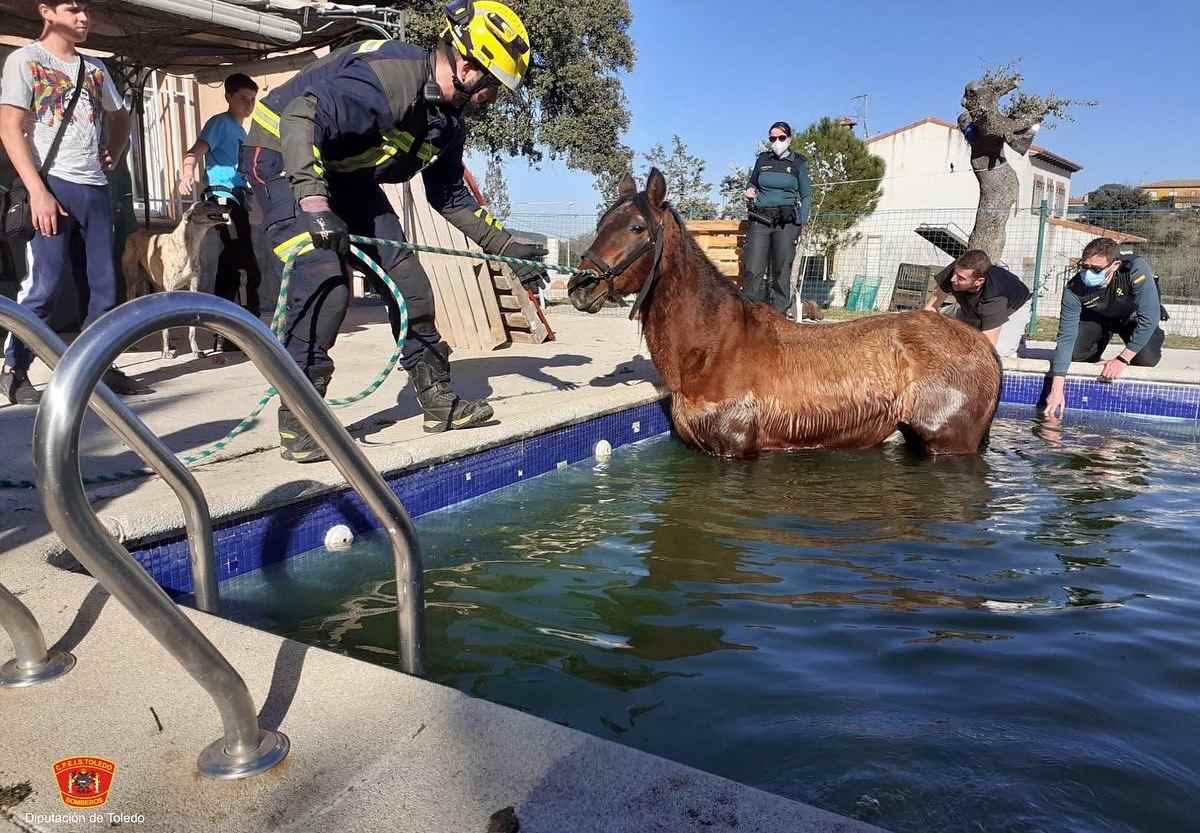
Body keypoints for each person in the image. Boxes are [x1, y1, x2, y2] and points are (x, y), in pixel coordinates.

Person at [241, 0, 548, 462]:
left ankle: (438, 400)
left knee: (409, 281)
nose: (493, 99)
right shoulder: (390, 78)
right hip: (283, 156)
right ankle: (300, 422)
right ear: (467, 65)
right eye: (492, 86)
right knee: (323, 278)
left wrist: (506, 249)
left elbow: (449, 196)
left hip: (344, 174)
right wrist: (314, 202)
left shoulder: (446, 121)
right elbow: (301, 116)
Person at [0, 0, 152, 405]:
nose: (84, 18)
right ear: (46, 11)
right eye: (73, 9)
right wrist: (36, 190)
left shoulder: (97, 70)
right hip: (50, 184)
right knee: (44, 287)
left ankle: (97, 369)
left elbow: (121, 117)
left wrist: (114, 154)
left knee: (105, 288)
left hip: (95, 187)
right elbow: (9, 127)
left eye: (86, 9)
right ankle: (14, 369)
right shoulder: (24, 60)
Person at [1042, 237, 1164, 419]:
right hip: (1099, 320)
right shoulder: (1074, 288)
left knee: (1147, 358)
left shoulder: (1135, 269)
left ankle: (1135, 349)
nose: (1088, 272)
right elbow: (1066, 336)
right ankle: (1100, 346)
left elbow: (1149, 318)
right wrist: (1056, 388)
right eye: (1085, 266)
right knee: (1076, 355)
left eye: (1096, 269)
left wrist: (1122, 360)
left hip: (1131, 319)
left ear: (1114, 266)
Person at [180, 72, 262, 322]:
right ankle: (240, 321)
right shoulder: (220, 123)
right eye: (242, 98)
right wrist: (186, 173)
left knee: (234, 260)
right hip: (222, 197)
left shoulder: (241, 131)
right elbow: (195, 151)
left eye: (252, 99)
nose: (248, 104)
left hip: (238, 197)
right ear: (228, 97)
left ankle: (225, 323)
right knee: (244, 263)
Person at [741, 121, 812, 314]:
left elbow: (806, 195)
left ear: (789, 139)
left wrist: (802, 221)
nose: (777, 141)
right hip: (761, 219)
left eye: (781, 138)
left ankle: (779, 315)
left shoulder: (798, 162)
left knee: (782, 269)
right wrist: (750, 191)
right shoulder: (762, 160)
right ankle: (749, 313)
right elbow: (752, 183)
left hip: (786, 222)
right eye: (773, 138)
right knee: (753, 268)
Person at [923, 249, 1032, 357]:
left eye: (960, 278)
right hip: (973, 305)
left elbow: (987, 346)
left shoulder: (995, 297)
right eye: (954, 273)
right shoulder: (959, 270)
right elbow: (930, 308)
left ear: (978, 281)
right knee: (959, 341)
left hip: (1013, 306)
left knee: (999, 351)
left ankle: (1016, 339)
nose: (952, 279)